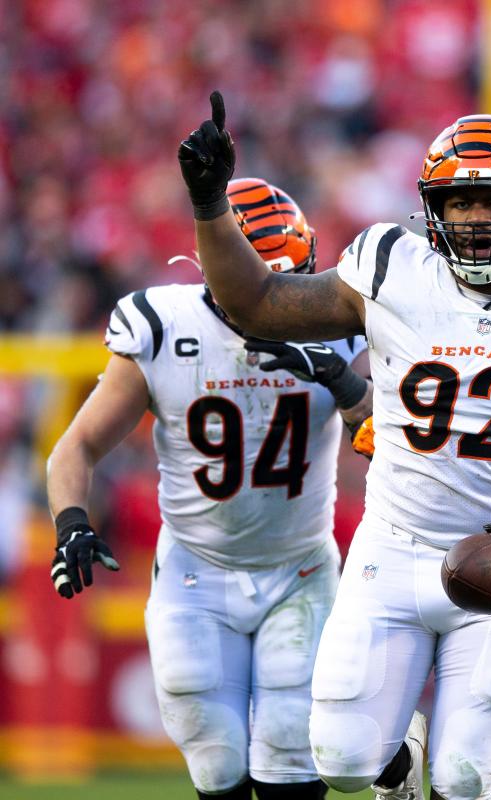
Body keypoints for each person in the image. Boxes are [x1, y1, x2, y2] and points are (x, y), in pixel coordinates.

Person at [176, 93, 491, 800]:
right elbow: (258, 303)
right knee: (342, 762)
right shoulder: (387, 266)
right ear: (434, 207)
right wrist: (211, 205)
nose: (478, 219)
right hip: (393, 550)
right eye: (460, 202)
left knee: (464, 777)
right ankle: (401, 764)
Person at [46, 178, 370, 800]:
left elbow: (397, 442)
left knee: (292, 747)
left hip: (300, 568)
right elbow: (77, 446)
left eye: (284, 286)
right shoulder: (163, 327)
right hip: (197, 568)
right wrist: (71, 522)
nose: (265, 303)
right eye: (252, 284)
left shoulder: (340, 330)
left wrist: (345, 383)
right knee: (215, 756)